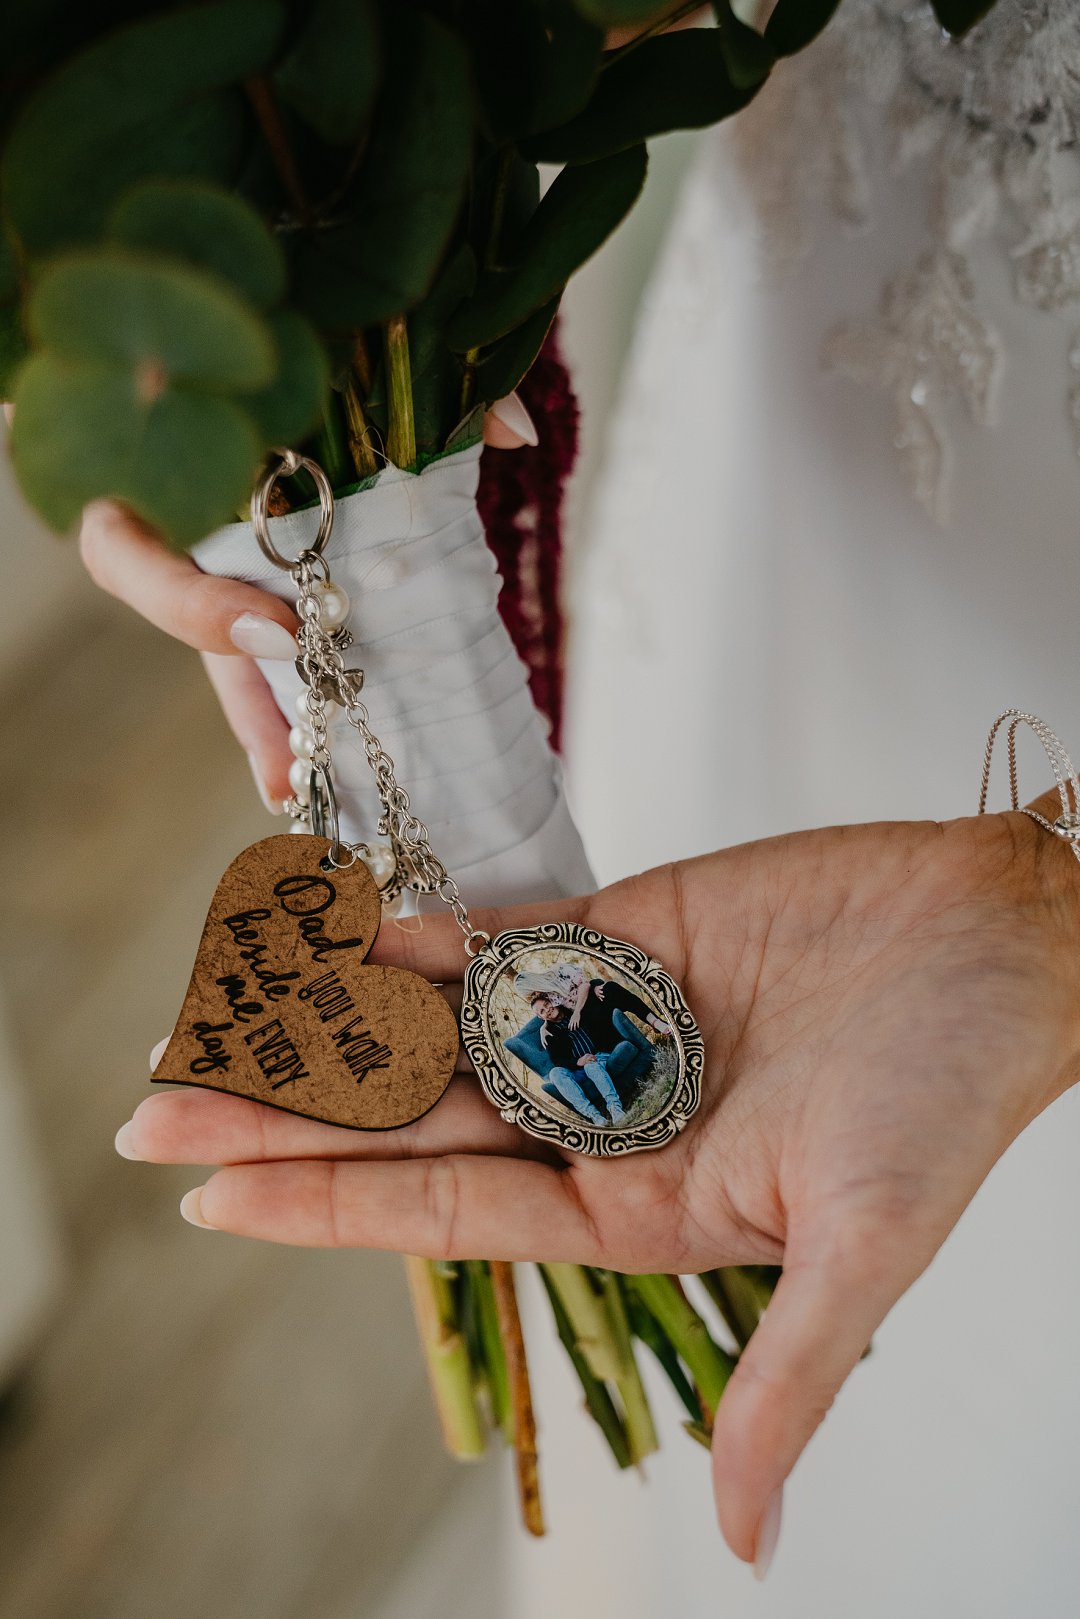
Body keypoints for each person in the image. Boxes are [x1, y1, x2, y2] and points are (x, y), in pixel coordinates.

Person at [526, 990, 630, 1124]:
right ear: (541, 1017)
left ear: (553, 1000)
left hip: (597, 1057)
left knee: (590, 1066)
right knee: (555, 1073)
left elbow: (585, 988)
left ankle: (615, 1108)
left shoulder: (573, 1008)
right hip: (578, 1069)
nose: (547, 1009)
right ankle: (596, 1117)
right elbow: (558, 1060)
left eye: (547, 1004)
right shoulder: (548, 1033)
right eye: (542, 1011)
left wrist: (578, 1010)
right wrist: (578, 1062)